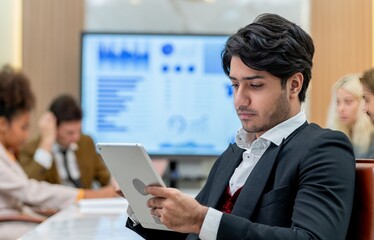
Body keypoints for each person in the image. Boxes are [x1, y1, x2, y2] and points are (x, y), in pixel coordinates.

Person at [125, 13, 355, 240]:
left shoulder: (323, 148)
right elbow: (192, 233)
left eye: (255, 85)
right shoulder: (235, 152)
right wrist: (146, 207)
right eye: (235, 85)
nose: (239, 100)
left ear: (294, 85)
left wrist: (200, 220)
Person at [0, 65, 117, 239]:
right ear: (2, 124)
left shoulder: (86, 143)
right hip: (14, 224)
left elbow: (104, 177)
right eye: (23, 127)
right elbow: (29, 190)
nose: (26, 134)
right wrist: (84, 195)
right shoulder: (30, 149)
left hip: (38, 216)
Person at [18, 94, 111, 189]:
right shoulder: (30, 149)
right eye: (70, 133)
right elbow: (28, 187)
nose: (76, 138)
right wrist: (46, 145)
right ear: (54, 126)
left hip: (85, 201)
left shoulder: (86, 142)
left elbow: (106, 178)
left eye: (79, 131)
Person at [326, 74, 374, 158]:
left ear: (363, 102)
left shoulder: (372, 139)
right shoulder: (333, 138)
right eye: (338, 102)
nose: (341, 109)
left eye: (348, 102)